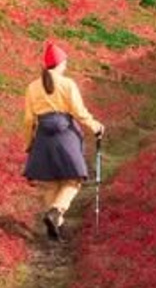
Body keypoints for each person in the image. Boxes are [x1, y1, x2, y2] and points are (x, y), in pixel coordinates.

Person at [22, 40, 104, 241]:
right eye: (65, 62)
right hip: (65, 133)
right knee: (73, 180)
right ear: (59, 64)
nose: (66, 66)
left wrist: (28, 143)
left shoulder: (32, 87)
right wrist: (95, 126)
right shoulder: (67, 84)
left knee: (50, 184)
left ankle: (54, 227)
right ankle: (56, 212)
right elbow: (78, 112)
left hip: (43, 135)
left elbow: (28, 119)